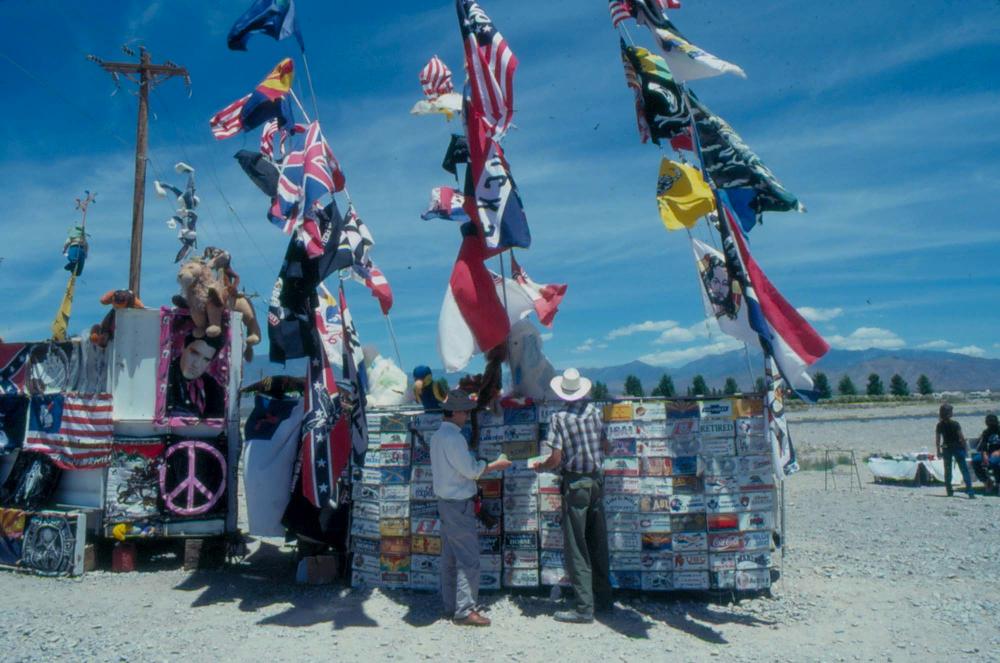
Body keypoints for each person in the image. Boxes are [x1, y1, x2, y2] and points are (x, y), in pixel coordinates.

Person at [532, 368, 612, 623]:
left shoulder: (559, 419)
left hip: (576, 484)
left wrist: (541, 466)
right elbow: (606, 446)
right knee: (597, 542)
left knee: (577, 547)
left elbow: (555, 458)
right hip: (597, 481)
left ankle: (584, 608)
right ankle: (604, 598)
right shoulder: (595, 412)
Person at [431, 389, 511, 626]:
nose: (467, 415)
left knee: (450, 558)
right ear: (454, 411)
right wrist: (495, 465)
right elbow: (471, 471)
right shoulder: (454, 438)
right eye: (464, 411)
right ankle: (465, 610)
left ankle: (451, 605)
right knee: (468, 559)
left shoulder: (437, 436)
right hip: (458, 505)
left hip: (445, 503)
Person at [167, 334, 226, 419]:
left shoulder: (213, 387)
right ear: (183, 348)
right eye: (194, 353)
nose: (196, 364)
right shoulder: (164, 379)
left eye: (206, 359)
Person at [935, 403, 975, 499]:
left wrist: (938, 450)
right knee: (964, 470)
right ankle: (970, 491)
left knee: (948, 470)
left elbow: (937, 439)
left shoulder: (939, 425)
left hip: (946, 448)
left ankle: (949, 490)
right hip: (957, 448)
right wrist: (965, 448)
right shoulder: (955, 424)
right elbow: (961, 437)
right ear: (949, 413)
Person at [975, 414, 1000, 495]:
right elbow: (983, 445)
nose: (991, 424)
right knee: (975, 461)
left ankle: (998, 482)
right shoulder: (986, 432)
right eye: (989, 423)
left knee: (994, 462)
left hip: (998, 453)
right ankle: (987, 481)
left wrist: (998, 451)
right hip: (989, 453)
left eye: (992, 422)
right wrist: (984, 455)